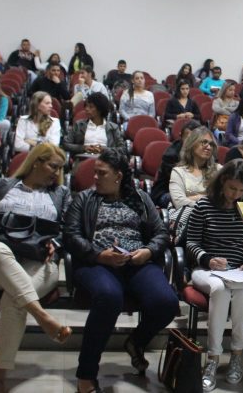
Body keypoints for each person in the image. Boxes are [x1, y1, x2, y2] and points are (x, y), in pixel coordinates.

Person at [0, 143, 72, 393]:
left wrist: (55, 242)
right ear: (36, 162)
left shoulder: (61, 193)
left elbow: (67, 229)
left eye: (60, 168)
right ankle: (42, 316)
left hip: (40, 262)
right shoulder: (1, 185)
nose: (57, 173)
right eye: (53, 166)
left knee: (14, 298)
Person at [64, 148, 177, 393]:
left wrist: (147, 251)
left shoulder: (140, 198)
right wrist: (99, 255)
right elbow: (71, 236)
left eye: (101, 173)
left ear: (118, 176)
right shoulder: (84, 199)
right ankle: (86, 375)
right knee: (109, 296)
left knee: (167, 302)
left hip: (135, 262)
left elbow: (161, 233)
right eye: (95, 172)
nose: (95, 177)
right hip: (96, 263)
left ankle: (136, 342)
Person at [186, 160, 243, 391]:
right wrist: (208, 259)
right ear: (222, 183)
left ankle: (237, 353)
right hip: (206, 270)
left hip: (237, 272)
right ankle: (213, 358)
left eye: (241, 190)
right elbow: (191, 242)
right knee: (219, 289)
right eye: (232, 188)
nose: (235, 195)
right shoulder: (204, 206)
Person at [151, 120, 202, 207]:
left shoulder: (204, 153)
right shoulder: (171, 155)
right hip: (167, 192)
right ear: (181, 136)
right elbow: (179, 183)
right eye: (188, 138)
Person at [169, 127, 221, 209]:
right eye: (204, 142)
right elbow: (179, 203)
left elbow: (225, 199)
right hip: (189, 215)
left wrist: (192, 198)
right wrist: (207, 199)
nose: (209, 147)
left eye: (211, 144)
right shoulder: (179, 172)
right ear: (192, 144)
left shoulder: (218, 169)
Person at [62, 92, 123, 158]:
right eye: (86, 106)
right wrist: (83, 148)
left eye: (91, 107)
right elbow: (66, 144)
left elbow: (122, 149)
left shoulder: (113, 128)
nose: (86, 109)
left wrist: (105, 150)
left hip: (106, 160)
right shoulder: (79, 125)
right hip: (83, 159)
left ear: (100, 109)